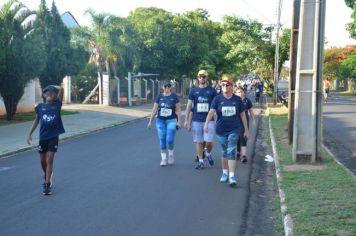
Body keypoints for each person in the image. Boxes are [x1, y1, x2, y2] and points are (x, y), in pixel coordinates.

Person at [204, 75, 249, 187]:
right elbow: (211, 112)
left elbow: (243, 115)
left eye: (227, 84)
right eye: (222, 84)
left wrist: (246, 130)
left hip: (234, 129)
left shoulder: (237, 100)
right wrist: (206, 124)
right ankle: (224, 172)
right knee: (224, 151)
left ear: (231, 86)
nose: (224, 86)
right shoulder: (217, 99)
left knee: (231, 150)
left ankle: (232, 176)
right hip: (221, 129)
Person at [27, 85, 65, 195]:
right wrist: (30, 133)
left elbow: (61, 89)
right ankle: (47, 174)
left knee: (50, 159)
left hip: (53, 136)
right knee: (42, 161)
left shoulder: (57, 105)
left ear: (55, 96)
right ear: (44, 95)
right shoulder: (40, 107)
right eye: (48, 94)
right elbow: (36, 121)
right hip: (43, 137)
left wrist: (52, 87)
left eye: (52, 94)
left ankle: (47, 184)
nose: (50, 96)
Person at [184, 70, 217, 170]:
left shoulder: (212, 91)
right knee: (198, 141)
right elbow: (189, 105)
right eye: (200, 76)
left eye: (204, 77)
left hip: (209, 120)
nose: (202, 78)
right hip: (197, 120)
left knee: (209, 141)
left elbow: (216, 105)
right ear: (198, 78)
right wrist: (186, 120)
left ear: (207, 78)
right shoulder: (193, 91)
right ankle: (201, 161)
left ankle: (207, 152)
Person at [147, 80, 182, 166]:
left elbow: (178, 109)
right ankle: (163, 159)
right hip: (160, 121)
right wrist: (150, 121)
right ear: (163, 87)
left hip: (172, 120)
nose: (167, 88)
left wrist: (179, 121)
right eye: (165, 86)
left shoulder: (174, 97)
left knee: (169, 139)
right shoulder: (159, 97)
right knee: (162, 139)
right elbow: (154, 109)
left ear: (171, 87)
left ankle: (170, 156)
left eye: (168, 86)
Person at [234, 86, 256, 163]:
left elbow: (251, 111)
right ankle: (238, 152)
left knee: (244, 138)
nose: (240, 94)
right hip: (235, 123)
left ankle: (244, 156)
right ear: (235, 93)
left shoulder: (247, 101)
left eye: (241, 92)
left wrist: (253, 120)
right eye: (238, 92)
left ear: (244, 92)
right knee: (237, 139)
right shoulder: (234, 101)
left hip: (244, 123)